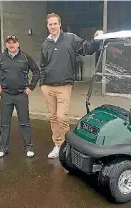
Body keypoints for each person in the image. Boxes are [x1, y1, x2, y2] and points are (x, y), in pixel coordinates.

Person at [40, 13, 103, 159]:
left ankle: (68, 145)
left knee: (61, 117)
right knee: (53, 117)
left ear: (59, 24)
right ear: (47, 26)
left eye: (55, 24)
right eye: (50, 24)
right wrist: (42, 83)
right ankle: (58, 145)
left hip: (64, 85)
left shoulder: (71, 38)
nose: (53, 26)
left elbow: (87, 49)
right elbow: (43, 65)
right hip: (47, 86)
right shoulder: (45, 44)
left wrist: (96, 40)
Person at [0, 35, 40, 158]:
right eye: (9, 42)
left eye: (14, 42)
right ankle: (3, 147)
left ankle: (29, 147)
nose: (11, 45)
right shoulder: (1, 58)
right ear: (6, 44)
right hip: (6, 95)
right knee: (5, 123)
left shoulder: (25, 57)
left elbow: (36, 71)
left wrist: (31, 87)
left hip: (21, 95)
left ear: (18, 44)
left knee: (25, 123)